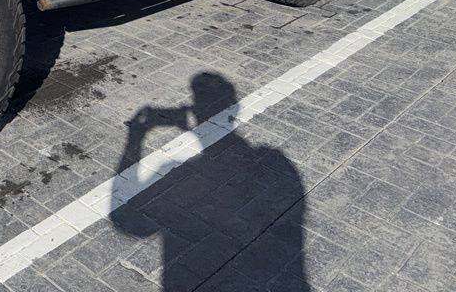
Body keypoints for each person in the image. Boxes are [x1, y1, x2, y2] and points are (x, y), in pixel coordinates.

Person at [111, 72, 309, 291]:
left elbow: (129, 221)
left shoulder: (178, 171)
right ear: (234, 108)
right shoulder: (276, 161)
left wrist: (136, 137)